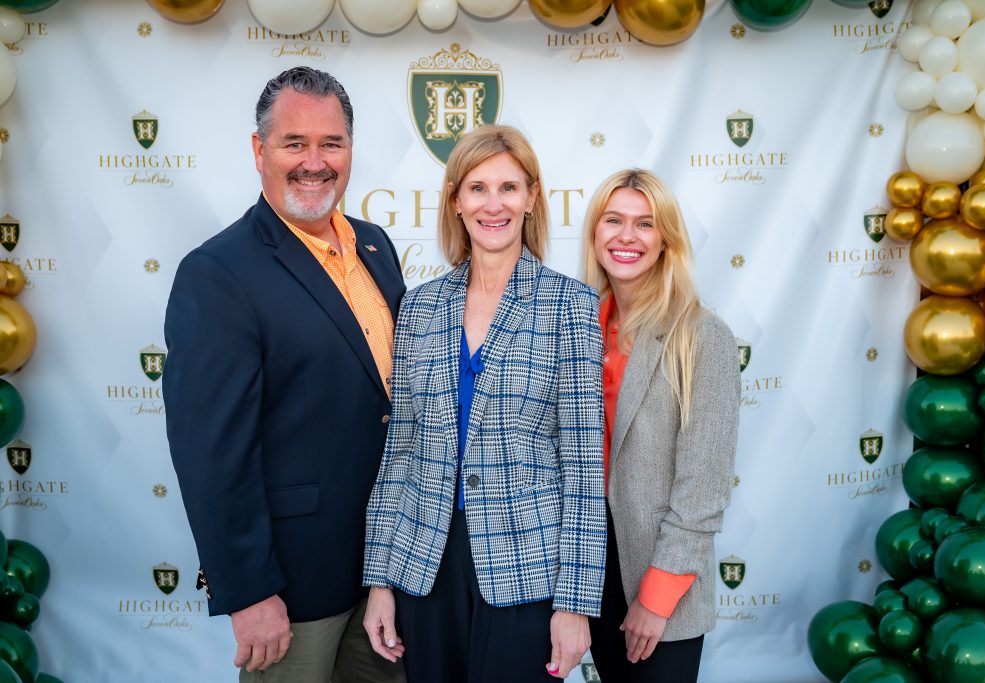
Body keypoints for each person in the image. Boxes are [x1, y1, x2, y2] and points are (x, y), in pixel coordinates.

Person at [163, 66, 406, 683]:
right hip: (294, 589)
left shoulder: (375, 246)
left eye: (331, 144)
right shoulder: (218, 272)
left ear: (351, 150)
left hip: (388, 575)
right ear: (259, 150)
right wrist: (248, 591)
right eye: (294, 143)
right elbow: (211, 451)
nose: (314, 163)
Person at [361, 125, 606, 683]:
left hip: (526, 570)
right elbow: (399, 452)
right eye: (477, 188)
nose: (493, 205)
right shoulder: (420, 307)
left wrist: (575, 602)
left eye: (509, 188)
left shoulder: (569, 304)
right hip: (424, 565)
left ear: (531, 198)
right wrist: (380, 580)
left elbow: (584, 464)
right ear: (455, 200)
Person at [581, 169, 740, 683]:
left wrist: (656, 596)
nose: (627, 236)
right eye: (613, 220)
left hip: (662, 578)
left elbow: (703, 487)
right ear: (595, 232)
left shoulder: (702, 336)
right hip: (587, 573)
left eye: (645, 223)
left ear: (666, 240)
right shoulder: (578, 328)